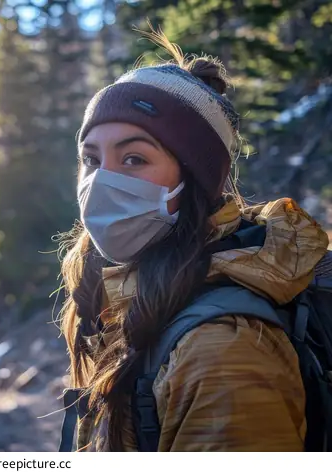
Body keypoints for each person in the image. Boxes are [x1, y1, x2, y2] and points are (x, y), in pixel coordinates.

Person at [58, 31, 330, 452]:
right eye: (91, 160)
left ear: (195, 179)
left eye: (134, 159)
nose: (100, 182)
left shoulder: (223, 351)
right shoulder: (115, 293)